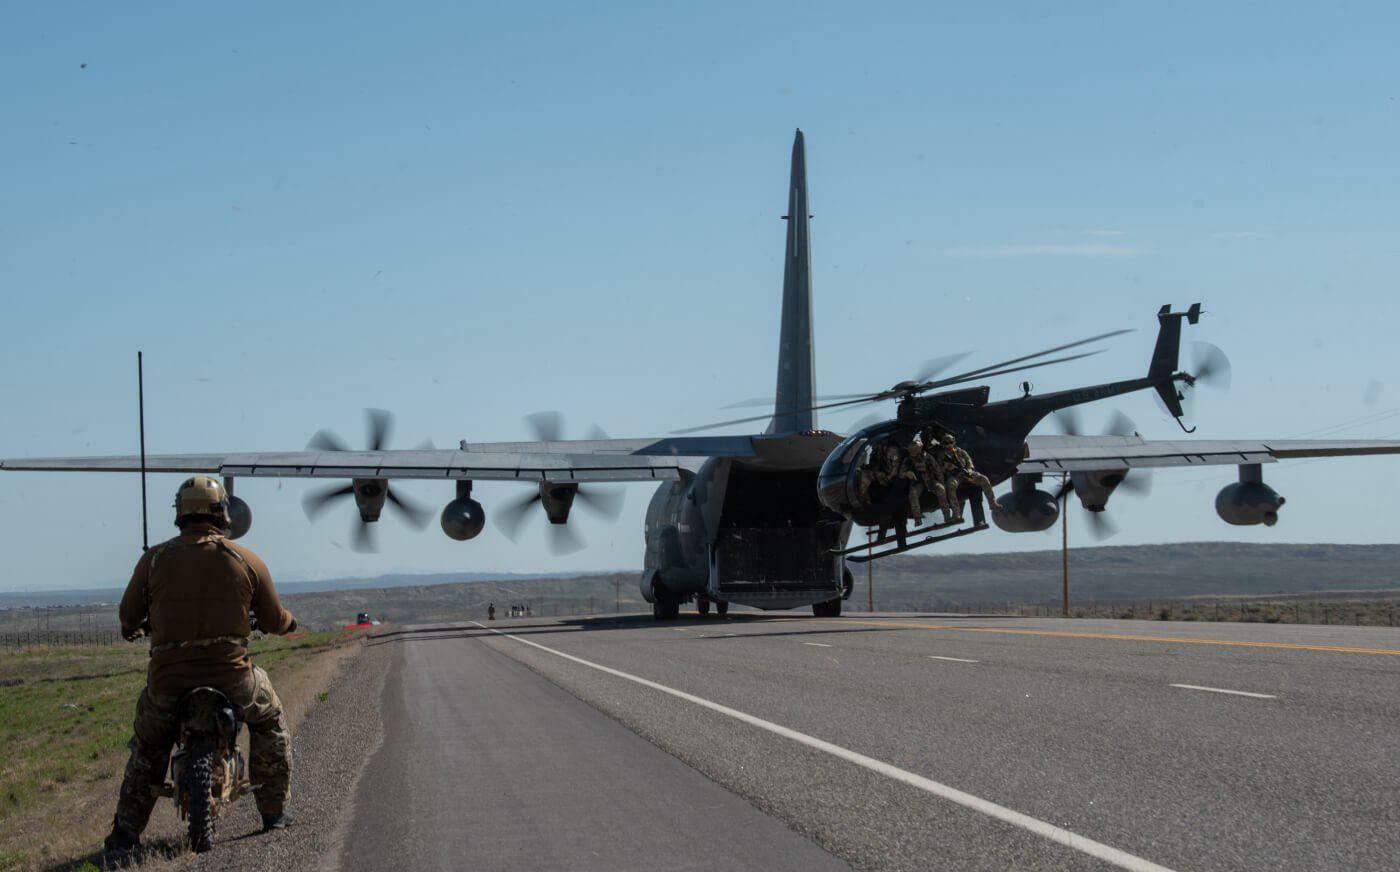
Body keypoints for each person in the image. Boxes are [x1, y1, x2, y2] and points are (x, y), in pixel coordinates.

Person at [104, 475, 298, 855]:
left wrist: (136, 627)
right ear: (222, 512)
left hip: (168, 682)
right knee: (270, 720)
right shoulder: (245, 559)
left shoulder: (154, 559)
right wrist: (290, 622)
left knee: (148, 746)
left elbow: (128, 615)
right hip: (233, 679)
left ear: (179, 513)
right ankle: (273, 812)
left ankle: (124, 836)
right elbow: (274, 620)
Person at [937, 433, 1000, 521]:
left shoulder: (960, 452)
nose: (949, 445)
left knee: (983, 479)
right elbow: (939, 469)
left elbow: (969, 462)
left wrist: (969, 470)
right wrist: (946, 467)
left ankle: (992, 503)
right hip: (955, 476)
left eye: (950, 442)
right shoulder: (942, 456)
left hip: (966, 474)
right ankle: (956, 513)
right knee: (950, 486)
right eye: (946, 443)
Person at [856, 440, 902, 505]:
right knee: (858, 472)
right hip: (879, 474)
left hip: (888, 476)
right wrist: (865, 467)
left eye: (874, 444)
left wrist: (888, 478)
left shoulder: (892, 450)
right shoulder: (876, 450)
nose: (872, 446)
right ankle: (865, 499)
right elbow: (874, 465)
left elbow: (895, 469)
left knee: (865, 478)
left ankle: (864, 501)